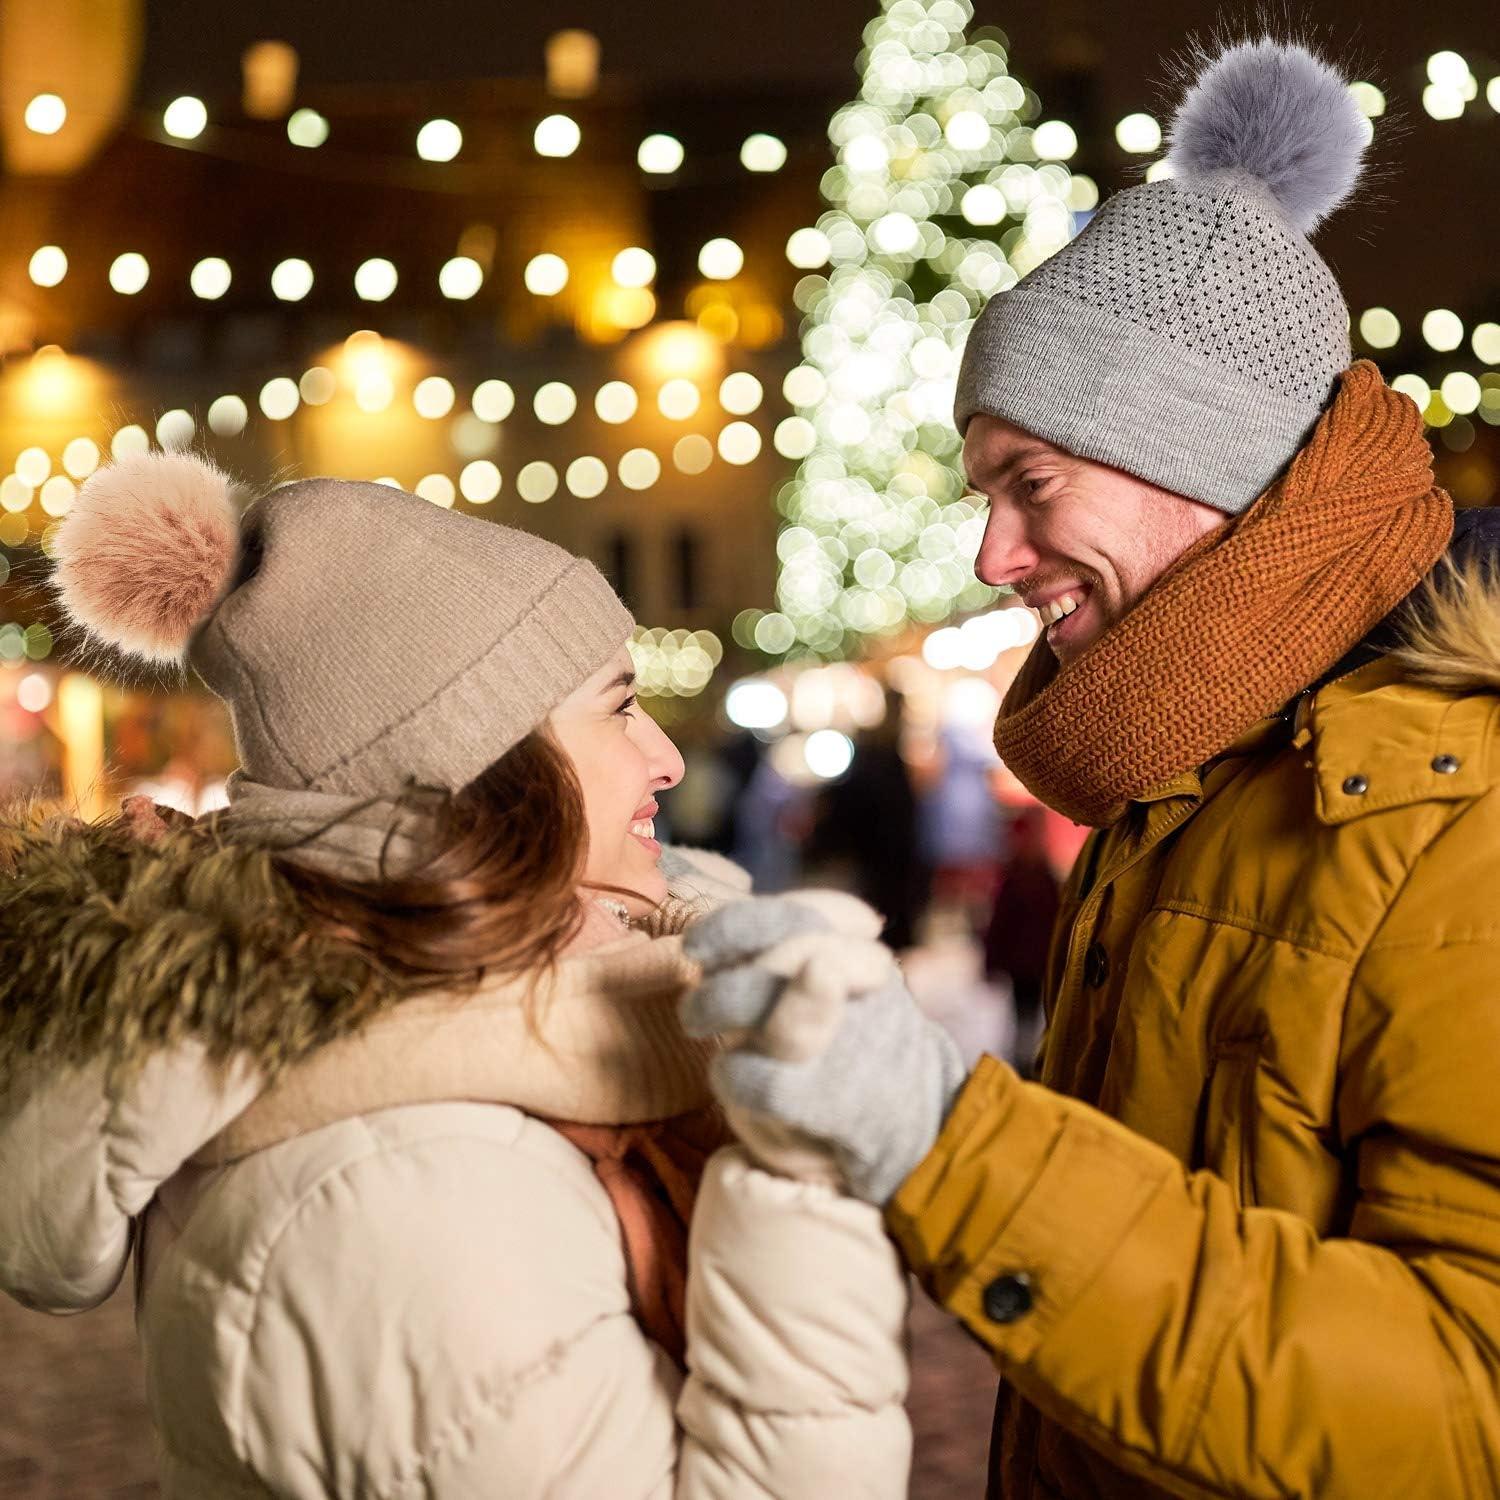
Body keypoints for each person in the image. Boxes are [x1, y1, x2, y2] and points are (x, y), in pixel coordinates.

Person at [680, 37, 1500, 1500]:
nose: (994, 555)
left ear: (1208, 460)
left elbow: (1464, 1403)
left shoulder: (1460, 813)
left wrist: (954, 1145)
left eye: (1033, 483)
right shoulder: (1179, 774)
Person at [0, 452, 912, 1498]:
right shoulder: (406, 1185)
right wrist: (798, 1179)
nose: (666, 757)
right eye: (619, 707)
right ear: (478, 771)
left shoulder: (507, 1059)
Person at [982, 806, 1060, 1073]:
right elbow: (1001, 924)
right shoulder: (1020, 879)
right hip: (1026, 963)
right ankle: (1024, 1057)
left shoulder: (1040, 877)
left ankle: (1027, 1056)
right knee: (1024, 1013)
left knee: (1032, 1013)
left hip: (1036, 962)